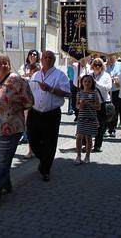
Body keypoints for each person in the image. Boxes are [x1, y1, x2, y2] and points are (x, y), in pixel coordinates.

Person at [0, 53, 33, 204]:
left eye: (6, 62)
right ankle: (6, 184)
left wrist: (13, 109)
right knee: (1, 159)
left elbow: (29, 101)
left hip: (11, 126)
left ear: (10, 64)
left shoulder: (17, 81)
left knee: (1, 158)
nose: (3, 65)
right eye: (0, 62)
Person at [28, 50, 70, 182]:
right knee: (33, 140)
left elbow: (67, 93)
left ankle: (45, 169)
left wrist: (51, 89)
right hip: (34, 112)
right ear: (41, 60)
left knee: (50, 143)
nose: (47, 59)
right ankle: (44, 159)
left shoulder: (60, 75)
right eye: (45, 57)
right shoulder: (35, 75)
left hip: (51, 114)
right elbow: (30, 92)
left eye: (50, 57)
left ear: (53, 60)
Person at [17, 49, 41, 158]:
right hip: (26, 98)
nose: (32, 56)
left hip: (38, 98)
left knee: (36, 125)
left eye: (35, 54)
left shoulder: (40, 67)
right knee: (27, 124)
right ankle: (30, 150)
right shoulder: (24, 66)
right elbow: (20, 76)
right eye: (31, 54)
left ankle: (36, 148)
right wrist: (26, 76)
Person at [74, 75, 101, 164]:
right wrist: (80, 105)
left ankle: (87, 156)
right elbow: (77, 106)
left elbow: (98, 107)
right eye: (85, 81)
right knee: (79, 137)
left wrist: (89, 104)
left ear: (92, 83)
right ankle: (78, 156)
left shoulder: (94, 93)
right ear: (82, 82)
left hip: (91, 118)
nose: (87, 83)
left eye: (89, 82)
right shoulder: (79, 93)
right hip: (81, 117)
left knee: (89, 138)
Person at [90, 58, 112, 152]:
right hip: (91, 103)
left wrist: (97, 83)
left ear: (102, 66)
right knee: (90, 123)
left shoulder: (106, 76)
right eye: (95, 65)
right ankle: (87, 144)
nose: (97, 66)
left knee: (101, 125)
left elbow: (108, 88)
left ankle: (97, 145)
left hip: (103, 102)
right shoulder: (90, 75)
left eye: (99, 65)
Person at [105, 55, 121, 137]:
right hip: (107, 91)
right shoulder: (104, 65)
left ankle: (112, 129)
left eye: (112, 57)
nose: (110, 59)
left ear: (115, 57)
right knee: (106, 110)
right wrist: (106, 66)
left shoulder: (120, 65)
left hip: (116, 90)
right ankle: (104, 128)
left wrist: (117, 80)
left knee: (115, 110)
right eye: (109, 57)